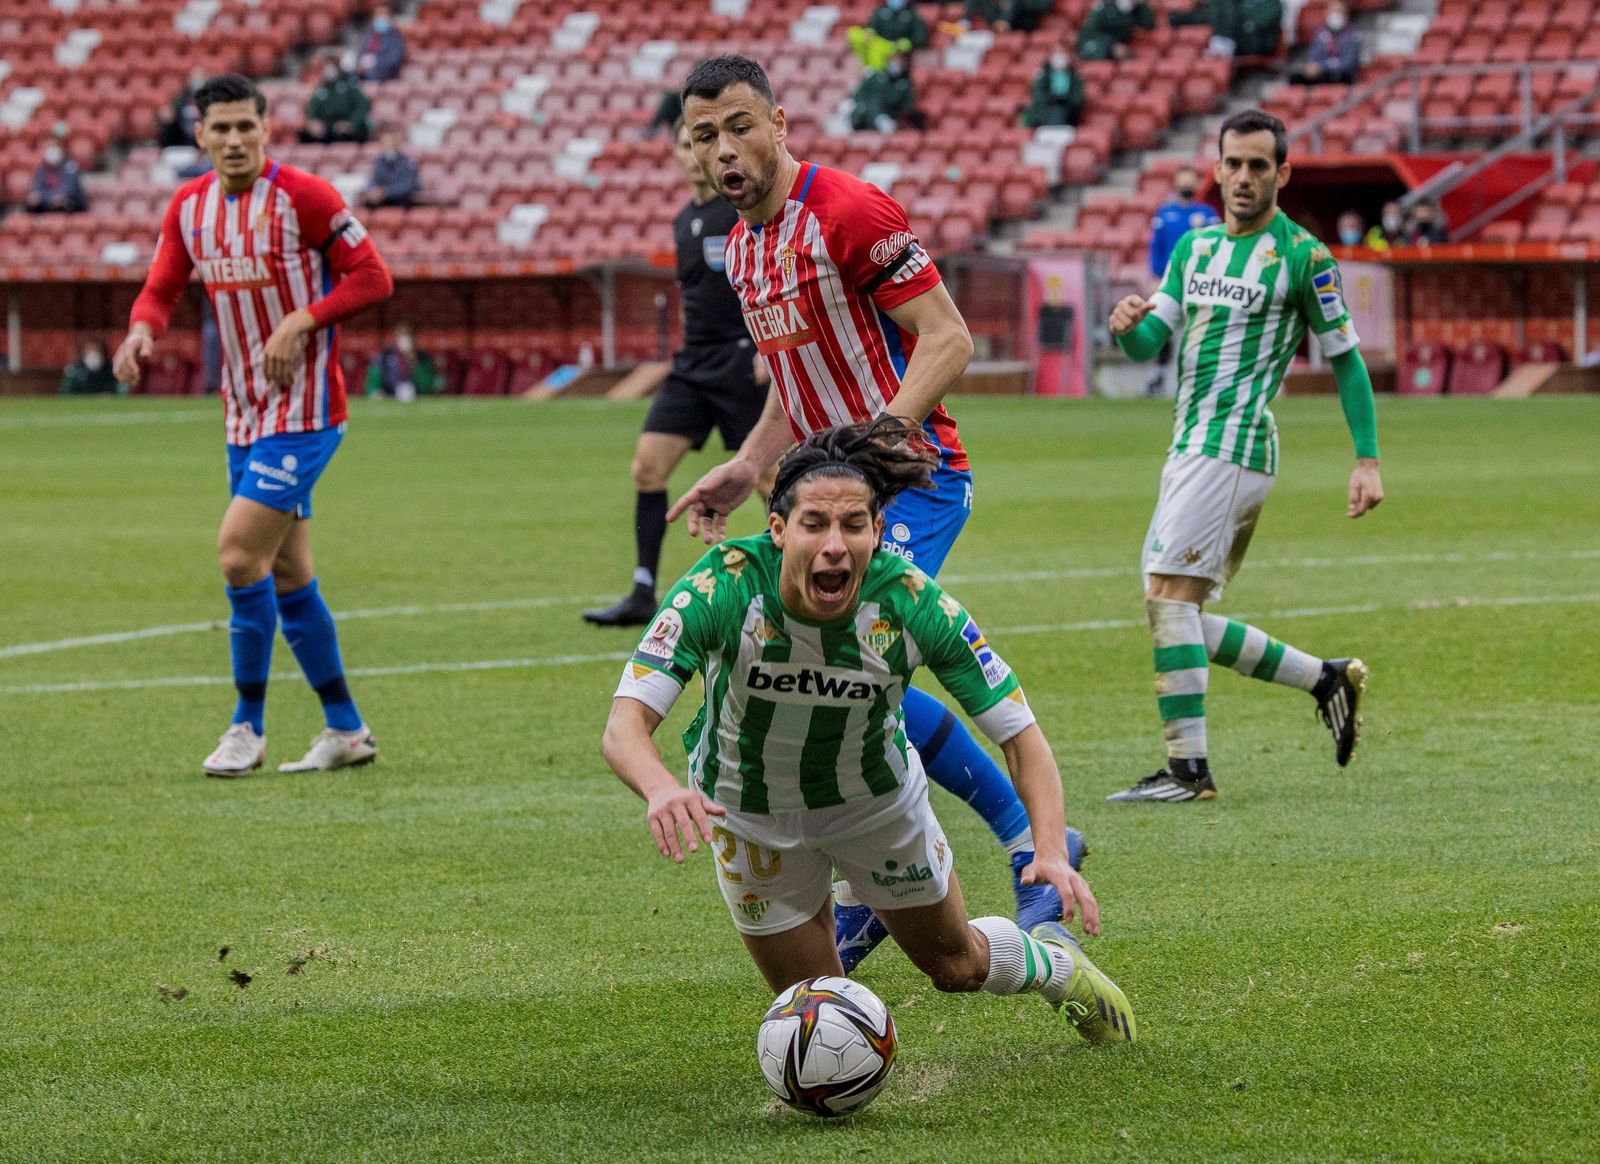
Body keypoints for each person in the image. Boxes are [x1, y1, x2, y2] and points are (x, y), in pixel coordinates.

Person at [669, 55, 1084, 973]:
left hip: (912, 482)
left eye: (741, 126)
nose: (726, 150)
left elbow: (950, 338)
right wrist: (746, 464)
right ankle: (872, 887)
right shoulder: (741, 247)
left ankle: (1016, 843)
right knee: (827, 667)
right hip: (823, 498)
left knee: (856, 655)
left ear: (781, 123)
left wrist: (875, 441)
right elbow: (794, 374)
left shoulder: (848, 211)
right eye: (706, 136)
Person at [603, 420, 1136, 1043]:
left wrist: (1046, 849)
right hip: (748, 812)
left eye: (854, 525)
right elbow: (625, 725)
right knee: (818, 1008)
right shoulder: (721, 584)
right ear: (778, 531)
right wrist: (662, 788)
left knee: (955, 965)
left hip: (875, 805)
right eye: (814, 524)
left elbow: (1021, 736)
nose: (835, 545)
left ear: (878, 533)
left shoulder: (913, 602)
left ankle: (1053, 965)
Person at [111, 73, 394, 777]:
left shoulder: (305, 196)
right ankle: (347, 729)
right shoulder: (190, 206)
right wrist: (141, 331)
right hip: (241, 413)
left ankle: (247, 724)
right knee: (291, 572)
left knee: (239, 555)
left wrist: (305, 317)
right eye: (221, 128)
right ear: (199, 134)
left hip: (305, 414)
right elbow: (163, 286)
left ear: (267, 128)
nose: (234, 139)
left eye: (246, 126)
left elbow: (372, 276)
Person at [1104, 108, 1383, 803]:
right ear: (1218, 168)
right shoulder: (1194, 252)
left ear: (1282, 174)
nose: (1244, 178)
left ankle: (1188, 772)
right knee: (1173, 608)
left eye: (1260, 166)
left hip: (1235, 446)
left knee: (1169, 600)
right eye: (1234, 164)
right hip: (1188, 443)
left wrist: (1367, 459)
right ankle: (1324, 677)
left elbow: (1347, 360)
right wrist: (1126, 331)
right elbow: (1150, 344)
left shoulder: (1303, 257)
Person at [583, 119, 772, 628]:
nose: (694, 156)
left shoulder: (742, 211)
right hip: (693, 365)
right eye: (686, 146)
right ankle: (643, 589)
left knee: (771, 479)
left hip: (741, 359)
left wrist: (765, 347)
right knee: (647, 467)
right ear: (675, 154)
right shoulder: (683, 219)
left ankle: (798, 586)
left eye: (701, 144)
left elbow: (765, 276)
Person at [1146, 166, 1219, 395]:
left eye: (1190, 183)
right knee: (1165, 328)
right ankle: (1158, 378)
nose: (1186, 188)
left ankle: (1203, 379)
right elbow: (1155, 248)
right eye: (1183, 183)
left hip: (1201, 283)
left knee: (1200, 330)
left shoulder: (1207, 214)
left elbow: (1218, 248)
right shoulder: (1164, 214)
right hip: (1170, 283)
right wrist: (1155, 277)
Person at [300, 57, 371, 144]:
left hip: (348, 129)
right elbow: (312, 109)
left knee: (344, 136)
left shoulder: (350, 86)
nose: (328, 70)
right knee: (305, 136)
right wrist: (314, 122)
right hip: (327, 130)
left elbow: (362, 105)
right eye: (326, 66)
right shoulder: (321, 89)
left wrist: (351, 123)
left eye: (331, 66)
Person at [849, 53, 924, 133]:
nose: (895, 65)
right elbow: (859, 94)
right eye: (894, 62)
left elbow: (907, 107)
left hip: (891, 116)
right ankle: (879, 120)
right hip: (866, 115)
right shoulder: (876, 77)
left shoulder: (905, 84)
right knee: (872, 102)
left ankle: (883, 121)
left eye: (899, 63)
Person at [1289, 1, 1360, 85]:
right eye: (1333, 12)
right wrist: (1315, 67)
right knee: (1296, 77)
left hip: (1342, 76)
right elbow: (1312, 58)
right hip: (1323, 75)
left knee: (1335, 75)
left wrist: (1322, 67)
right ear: (1326, 14)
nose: (1335, 15)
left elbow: (1348, 63)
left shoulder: (1352, 35)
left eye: (1339, 12)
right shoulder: (1320, 32)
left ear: (1346, 15)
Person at [365, 323, 436, 400]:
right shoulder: (385, 356)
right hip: (390, 395)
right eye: (403, 336)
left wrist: (414, 362)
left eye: (409, 336)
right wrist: (375, 391)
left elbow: (427, 385)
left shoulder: (423, 358)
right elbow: (373, 381)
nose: (406, 340)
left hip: (416, 395)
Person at [1022, 43, 1085, 129]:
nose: (1059, 57)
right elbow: (1038, 96)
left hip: (1067, 111)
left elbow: (1078, 99)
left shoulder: (1075, 76)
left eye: (1062, 53)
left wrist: (1064, 100)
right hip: (1045, 111)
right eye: (1057, 53)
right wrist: (1052, 98)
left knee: (1059, 111)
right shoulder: (1043, 75)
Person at [1076, 0, 1155, 62]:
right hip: (1097, 44)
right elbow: (1092, 31)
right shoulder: (1106, 6)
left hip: (1118, 46)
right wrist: (1112, 45)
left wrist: (1141, 5)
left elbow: (1149, 24)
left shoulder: (1136, 10)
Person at [27, 140, 87, 214]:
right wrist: (48, 198)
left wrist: (50, 197)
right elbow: (37, 189)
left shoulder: (70, 167)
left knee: (60, 203)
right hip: (49, 202)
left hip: (72, 203)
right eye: (48, 148)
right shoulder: (42, 168)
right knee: (33, 203)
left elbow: (68, 190)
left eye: (54, 147)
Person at [364, 131, 420, 208]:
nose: (388, 145)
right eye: (385, 142)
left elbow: (408, 185)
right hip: (383, 199)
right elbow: (373, 181)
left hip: (401, 198)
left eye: (391, 142)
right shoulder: (378, 162)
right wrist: (374, 191)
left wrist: (386, 192)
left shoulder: (407, 162)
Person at [157, 68, 209, 149]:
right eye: (195, 78)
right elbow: (172, 112)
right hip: (183, 139)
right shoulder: (182, 97)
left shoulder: (211, 97)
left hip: (204, 137)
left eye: (200, 78)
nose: (197, 81)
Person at [357, 5, 406, 82]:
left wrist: (374, 63)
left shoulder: (395, 37)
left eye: (384, 18)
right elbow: (361, 52)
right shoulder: (369, 35)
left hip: (383, 73)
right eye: (378, 17)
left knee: (372, 77)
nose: (380, 21)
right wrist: (361, 63)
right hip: (364, 70)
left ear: (390, 20)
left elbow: (394, 60)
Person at [59, 339, 123, 395]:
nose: (93, 355)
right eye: (90, 351)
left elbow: (119, 391)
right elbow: (66, 393)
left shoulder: (112, 371)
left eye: (96, 350)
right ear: (83, 354)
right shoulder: (74, 371)